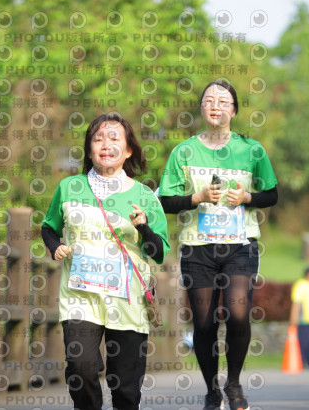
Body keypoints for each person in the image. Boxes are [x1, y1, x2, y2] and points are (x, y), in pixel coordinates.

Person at [159, 80, 278, 410]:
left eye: (223, 101)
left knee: (238, 313)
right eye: (209, 100)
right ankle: (212, 391)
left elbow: (272, 194)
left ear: (234, 110)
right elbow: (165, 201)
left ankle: (235, 384)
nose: (216, 105)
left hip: (240, 245)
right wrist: (195, 198)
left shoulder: (252, 150)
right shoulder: (183, 151)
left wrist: (247, 197)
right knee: (204, 323)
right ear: (201, 108)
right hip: (198, 247)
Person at [41, 113, 170, 410]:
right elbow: (48, 227)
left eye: (114, 139)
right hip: (80, 296)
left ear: (128, 151)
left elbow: (159, 251)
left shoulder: (144, 195)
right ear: (89, 150)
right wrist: (55, 246)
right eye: (98, 139)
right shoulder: (69, 187)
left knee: (125, 385)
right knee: (81, 366)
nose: (106, 144)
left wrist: (143, 227)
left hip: (128, 300)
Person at [290, 267, 309, 369]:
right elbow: (296, 302)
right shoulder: (300, 285)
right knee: (303, 342)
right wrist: (294, 317)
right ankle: (301, 363)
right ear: (308, 274)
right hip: (303, 320)